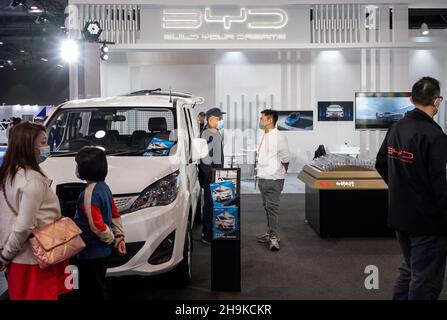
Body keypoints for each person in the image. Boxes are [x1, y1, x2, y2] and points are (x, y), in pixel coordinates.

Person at [375, 77, 447, 300]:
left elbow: (381, 163)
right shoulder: (435, 136)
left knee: (410, 269)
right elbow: (440, 184)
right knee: (425, 279)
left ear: (411, 99)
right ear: (437, 101)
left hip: (400, 215)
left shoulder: (396, 128)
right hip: (428, 221)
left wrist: (401, 188)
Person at [0, 122, 71, 300]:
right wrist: (5, 256)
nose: (47, 147)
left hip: (21, 255)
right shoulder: (33, 180)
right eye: (43, 142)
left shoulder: (9, 173)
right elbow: (24, 226)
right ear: (28, 146)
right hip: (35, 258)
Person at [74, 146, 126, 300]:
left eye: (77, 164)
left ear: (85, 168)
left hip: (91, 251)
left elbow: (97, 225)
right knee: (98, 285)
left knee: (91, 290)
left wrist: (110, 238)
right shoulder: (104, 187)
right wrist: (119, 236)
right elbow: (115, 213)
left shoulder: (90, 193)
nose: (76, 168)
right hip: (102, 253)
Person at [256, 109, 289, 251]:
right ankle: (269, 233)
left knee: (273, 208)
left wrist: (278, 172)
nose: (260, 120)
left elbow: (286, 158)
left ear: (270, 120)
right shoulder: (263, 134)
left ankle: (274, 237)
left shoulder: (279, 137)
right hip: (263, 177)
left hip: (274, 179)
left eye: (262, 118)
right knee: (267, 207)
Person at [198, 107, 225, 245]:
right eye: (217, 118)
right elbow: (203, 158)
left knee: (214, 203)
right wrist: (211, 175)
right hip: (210, 175)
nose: (219, 120)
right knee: (209, 204)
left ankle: (212, 231)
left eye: (220, 118)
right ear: (209, 119)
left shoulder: (215, 132)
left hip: (216, 173)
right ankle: (207, 234)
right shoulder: (205, 134)